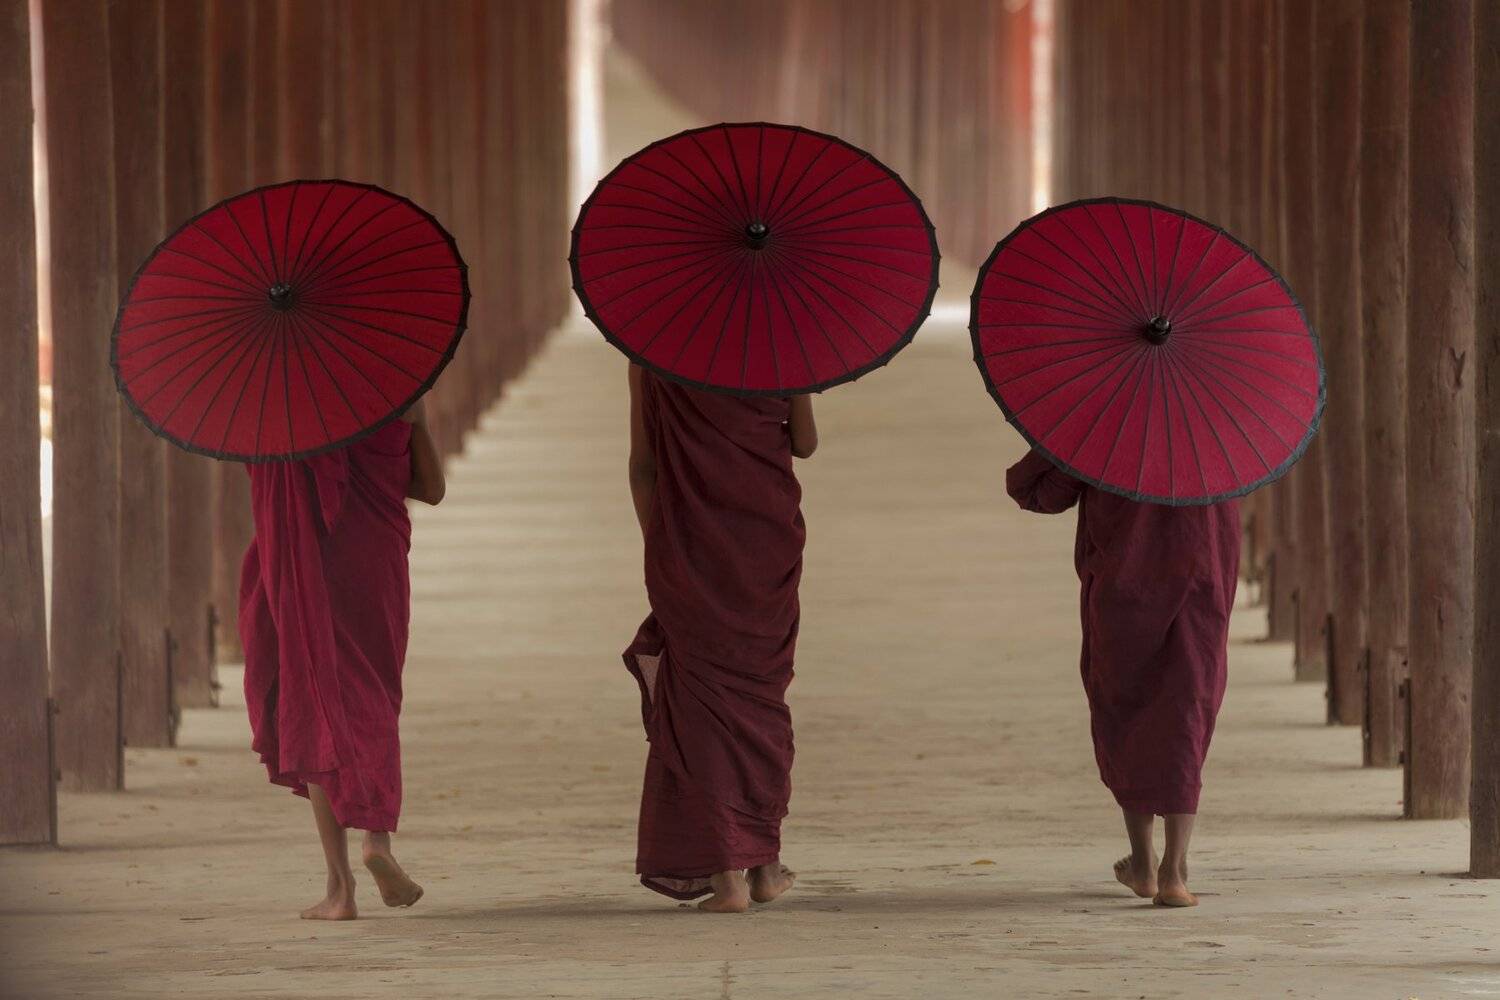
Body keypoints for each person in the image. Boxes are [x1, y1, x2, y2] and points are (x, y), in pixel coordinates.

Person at [239, 398, 446, 920]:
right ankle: (377, 839)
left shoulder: (274, 403)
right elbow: (431, 489)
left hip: (302, 558)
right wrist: (415, 420)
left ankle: (339, 887)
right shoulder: (392, 389)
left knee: (312, 694)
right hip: (375, 560)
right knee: (374, 694)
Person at [1006, 448, 1239, 907]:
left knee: (1125, 708)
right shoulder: (1220, 433)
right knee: (1187, 709)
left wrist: (1065, 443)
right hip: (1201, 581)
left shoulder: (1109, 430)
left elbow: (1034, 492)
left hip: (1124, 585)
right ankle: (1175, 867)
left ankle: (1143, 861)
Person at [623, 364, 818, 913]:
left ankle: (726, 874)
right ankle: (765, 866)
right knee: (761, 696)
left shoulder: (651, 354)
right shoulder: (781, 343)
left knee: (701, 697)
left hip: (685, 545)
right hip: (766, 542)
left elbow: (644, 467)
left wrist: (662, 542)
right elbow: (804, 443)